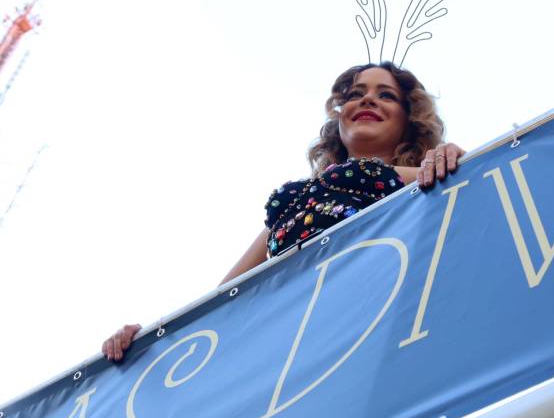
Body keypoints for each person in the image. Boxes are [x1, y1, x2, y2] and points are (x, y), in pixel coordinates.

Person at [102, 62, 463, 361]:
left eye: (386, 95)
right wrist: (144, 344)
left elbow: (470, 210)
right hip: (292, 354)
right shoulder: (296, 203)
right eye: (356, 94)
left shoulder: (427, 180)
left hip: (378, 339)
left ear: (408, 120)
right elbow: (217, 303)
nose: (368, 98)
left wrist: (453, 161)